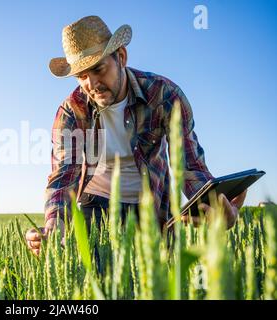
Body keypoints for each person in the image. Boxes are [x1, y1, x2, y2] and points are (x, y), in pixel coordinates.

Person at [26, 15, 247, 256]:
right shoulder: (71, 111)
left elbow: (189, 165)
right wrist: (54, 226)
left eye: (98, 69)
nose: (91, 84)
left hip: (152, 206)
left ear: (121, 57)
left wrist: (212, 204)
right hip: (96, 205)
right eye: (81, 76)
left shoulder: (164, 95)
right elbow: (64, 176)